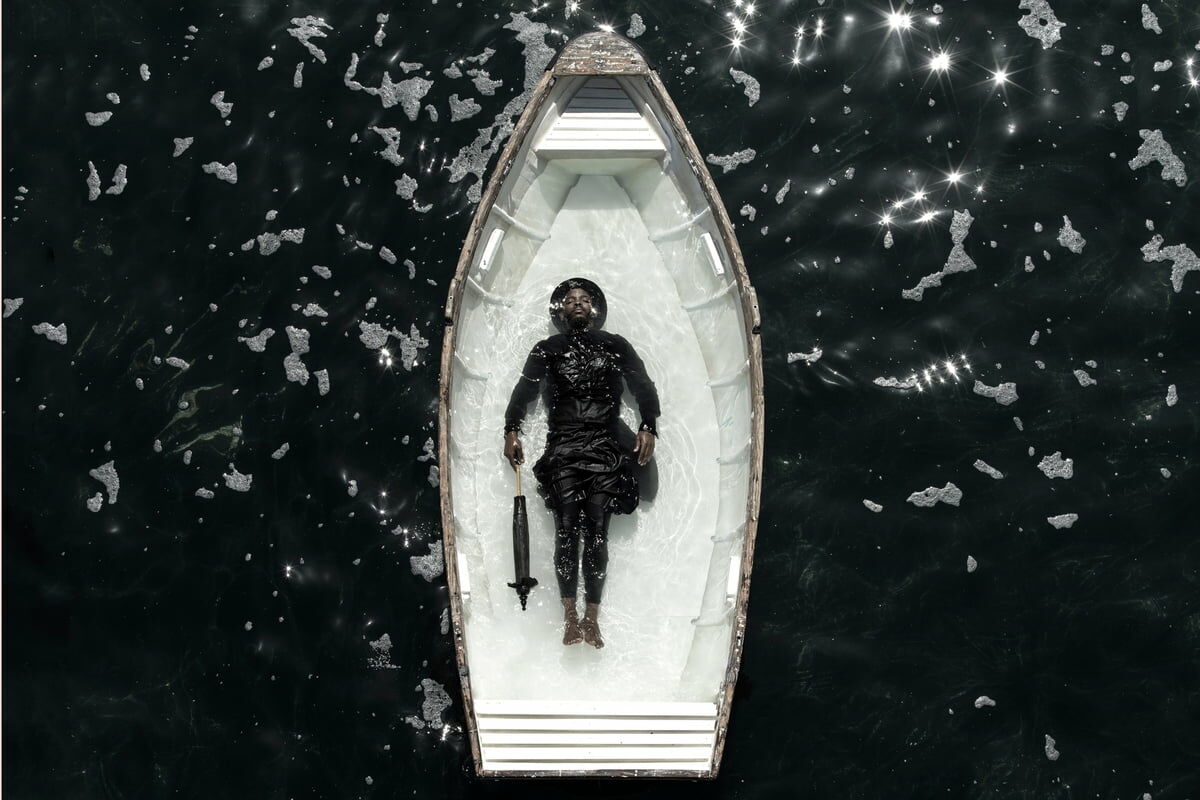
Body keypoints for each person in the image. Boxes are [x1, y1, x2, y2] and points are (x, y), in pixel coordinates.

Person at [503, 277, 660, 649]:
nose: (577, 303)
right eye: (571, 299)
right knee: (567, 530)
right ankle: (569, 618)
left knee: (598, 533)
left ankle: (593, 619)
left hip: (605, 445)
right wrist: (511, 429)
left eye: (585, 299)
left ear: (595, 309)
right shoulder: (546, 349)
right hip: (564, 447)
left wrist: (648, 424)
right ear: (560, 310)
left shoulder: (616, 345)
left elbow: (643, 386)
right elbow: (524, 391)